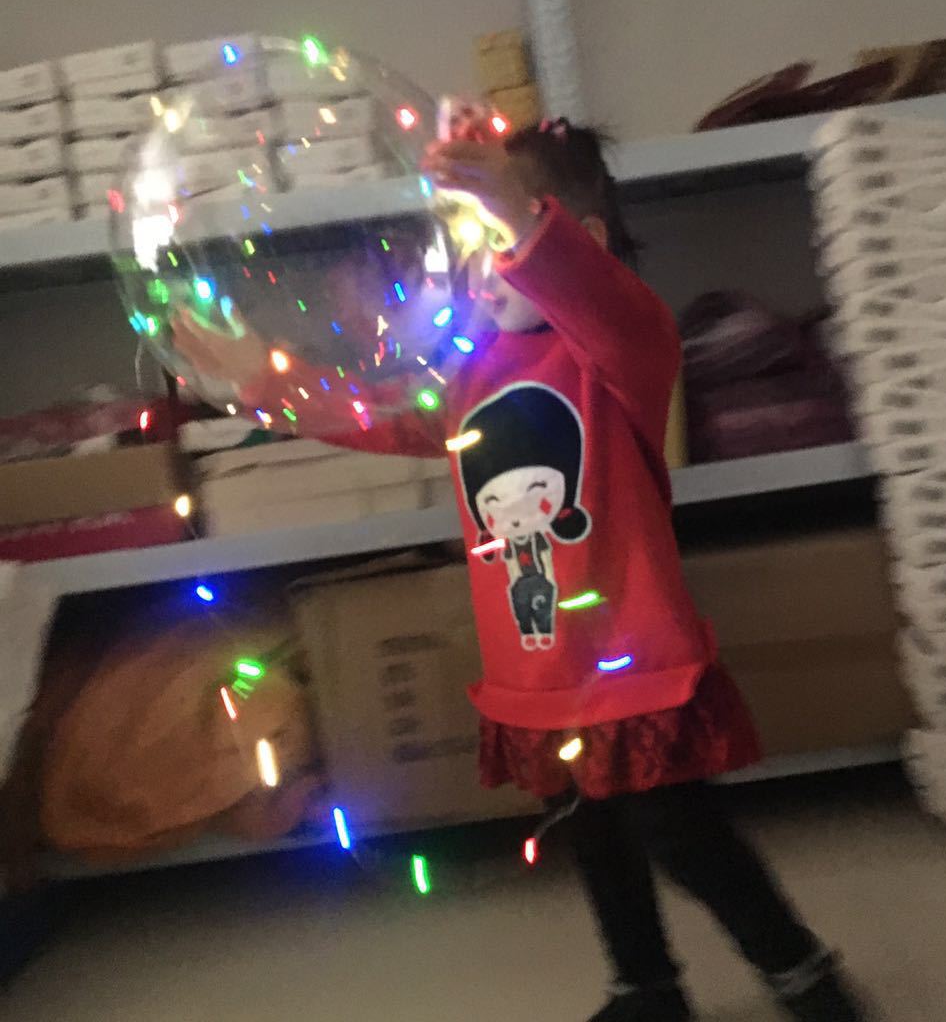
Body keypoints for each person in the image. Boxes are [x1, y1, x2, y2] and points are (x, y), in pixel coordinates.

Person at [177, 118, 867, 1022]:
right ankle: (645, 987)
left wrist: (517, 213)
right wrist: (260, 380)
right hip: (537, 669)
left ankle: (801, 972)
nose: (481, 272)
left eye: (498, 242)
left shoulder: (620, 350)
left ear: (583, 244)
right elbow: (370, 412)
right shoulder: (473, 371)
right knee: (590, 830)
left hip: (634, 665)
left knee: (678, 829)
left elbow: (604, 301)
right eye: (467, 251)